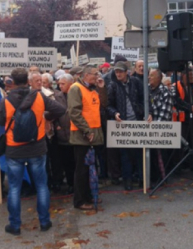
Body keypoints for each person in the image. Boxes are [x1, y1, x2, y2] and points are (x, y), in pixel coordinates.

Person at [0, 68, 65, 236]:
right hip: (37, 147)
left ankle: (15, 225)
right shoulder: (39, 96)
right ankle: (44, 221)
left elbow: (0, 121)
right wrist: (45, 117)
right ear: (28, 81)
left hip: (14, 149)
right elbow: (61, 110)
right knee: (42, 186)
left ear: (12, 81)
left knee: (14, 188)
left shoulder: (5, 100)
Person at [67, 66, 105, 210]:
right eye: (95, 74)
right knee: (81, 170)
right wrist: (87, 131)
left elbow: (103, 105)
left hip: (92, 135)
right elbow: (74, 113)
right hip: (82, 135)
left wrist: (101, 89)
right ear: (86, 75)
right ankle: (80, 201)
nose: (97, 76)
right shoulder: (76, 89)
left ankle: (89, 196)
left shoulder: (92, 89)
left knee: (90, 168)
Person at [106, 61, 145, 191]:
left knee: (140, 152)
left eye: (120, 71)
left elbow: (143, 98)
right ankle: (127, 180)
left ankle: (141, 178)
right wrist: (115, 113)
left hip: (137, 122)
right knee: (125, 155)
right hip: (122, 124)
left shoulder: (135, 82)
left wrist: (146, 112)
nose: (118, 74)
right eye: (116, 72)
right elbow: (109, 105)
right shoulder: (112, 86)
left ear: (126, 72)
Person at [54, 74, 76, 195]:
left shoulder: (77, 94)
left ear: (70, 84)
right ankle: (70, 184)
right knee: (66, 163)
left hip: (76, 134)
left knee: (77, 162)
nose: (60, 86)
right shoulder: (57, 97)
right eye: (59, 84)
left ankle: (78, 184)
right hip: (62, 135)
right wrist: (56, 124)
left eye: (63, 84)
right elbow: (53, 112)